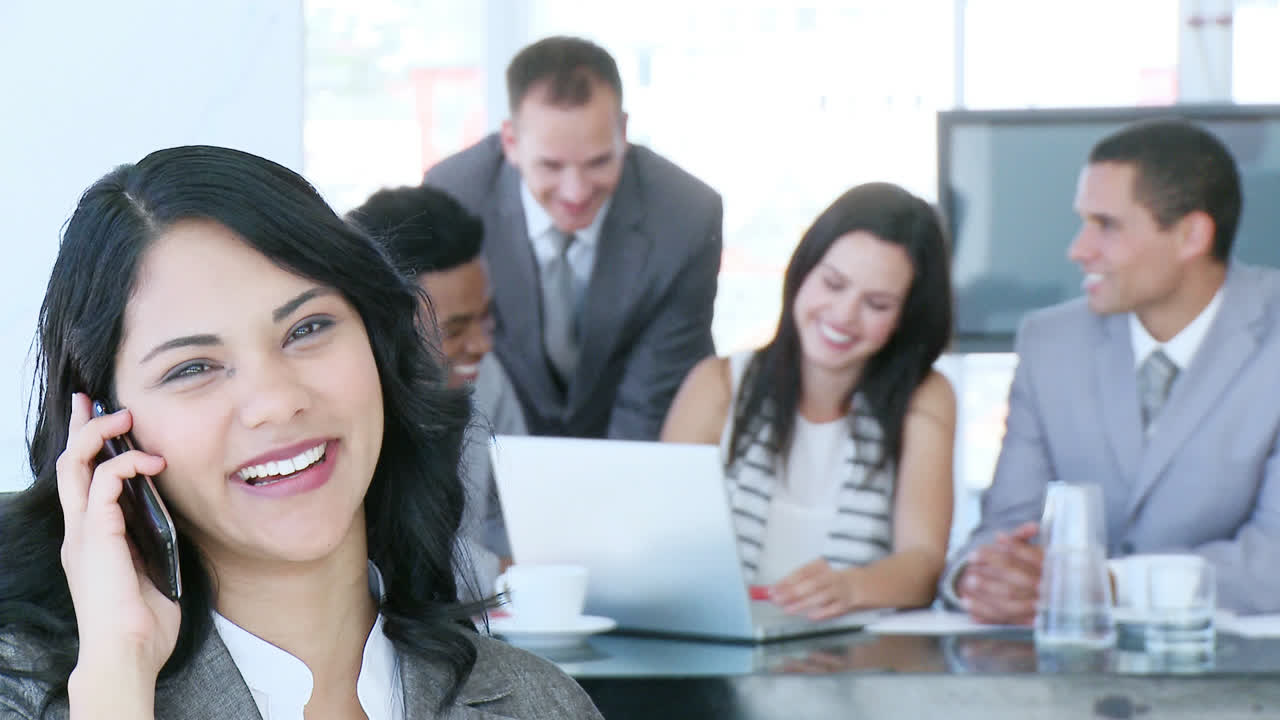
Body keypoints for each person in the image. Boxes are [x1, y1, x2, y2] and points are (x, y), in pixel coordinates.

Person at [0, 146, 602, 718]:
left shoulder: (540, 704)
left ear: (379, 349)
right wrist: (118, 678)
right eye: (193, 368)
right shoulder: (32, 696)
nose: (277, 402)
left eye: (307, 329)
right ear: (104, 433)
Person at [945, 118, 1280, 623]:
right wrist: (980, 578)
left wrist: (1100, 583)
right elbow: (1006, 529)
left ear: (1191, 235)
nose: (1078, 250)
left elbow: (1270, 567)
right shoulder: (1050, 343)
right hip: (1072, 679)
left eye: (1107, 225)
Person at [661, 183, 956, 620]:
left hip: (855, 665)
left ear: (905, 318)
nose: (843, 315)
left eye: (876, 303)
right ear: (802, 272)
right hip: (719, 652)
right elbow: (661, 543)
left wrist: (850, 587)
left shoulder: (925, 396)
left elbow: (924, 563)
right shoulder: (717, 384)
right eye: (833, 284)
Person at [425, 35, 722, 440]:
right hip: (494, 442)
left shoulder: (685, 216)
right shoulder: (453, 197)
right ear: (511, 143)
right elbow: (449, 368)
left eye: (599, 161)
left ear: (622, 131)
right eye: (551, 165)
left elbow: (652, 397)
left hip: (629, 442)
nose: (576, 192)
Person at [349, 184, 527, 590]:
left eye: (486, 318)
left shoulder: (487, 377)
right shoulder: (347, 408)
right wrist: (503, 575)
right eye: (455, 329)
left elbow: (516, 514)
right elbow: (384, 556)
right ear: (384, 325)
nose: (481, 345)